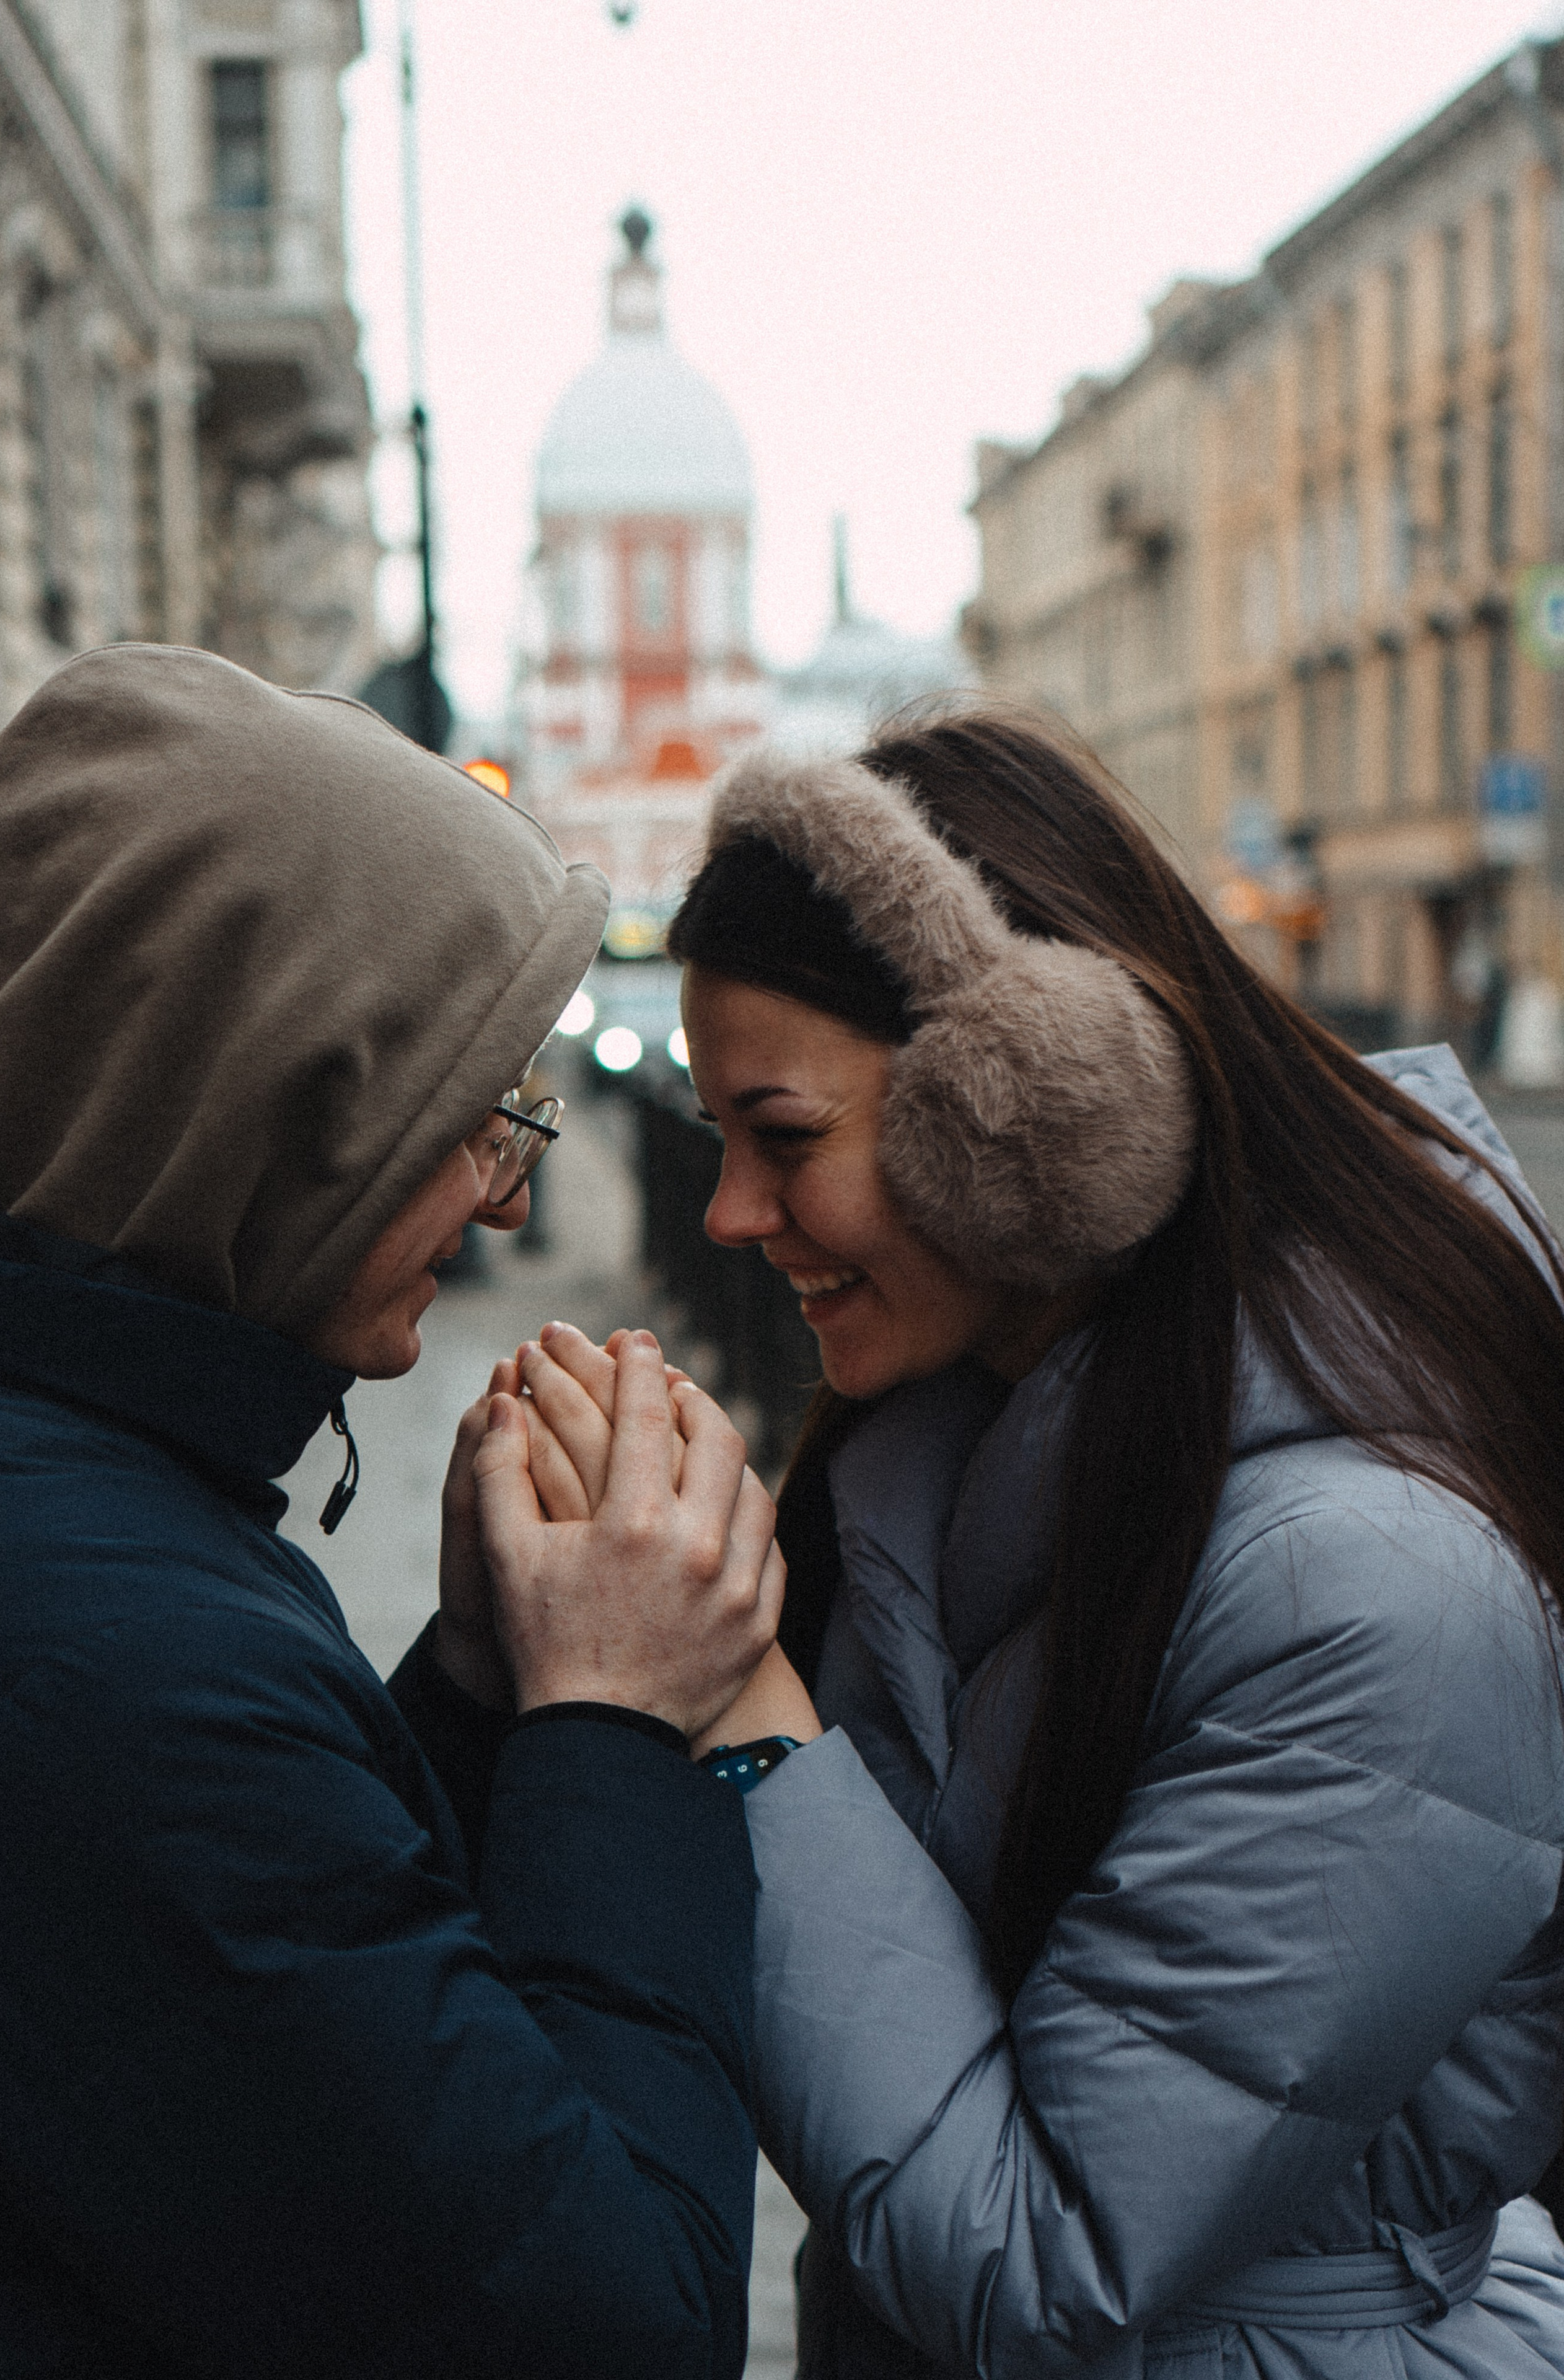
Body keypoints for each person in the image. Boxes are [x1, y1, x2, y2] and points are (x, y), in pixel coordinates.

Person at [508, 707, 1564, 2379]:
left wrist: (737, 1710)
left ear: (1032, 1114)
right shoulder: (962, 1430)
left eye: (787, 1139)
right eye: (717, 1143)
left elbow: (1039, 2260)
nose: (729, 1216)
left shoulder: (1379, 1601)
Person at [0, 643, 784, 2380]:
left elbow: (291, 2067)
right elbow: (610, 2327)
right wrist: (616, 1720)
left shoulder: (88, 1490)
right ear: (278, 1111)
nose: (509, 1206)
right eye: (478, 1121)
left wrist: (479, 1700)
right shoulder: (137, 1670)